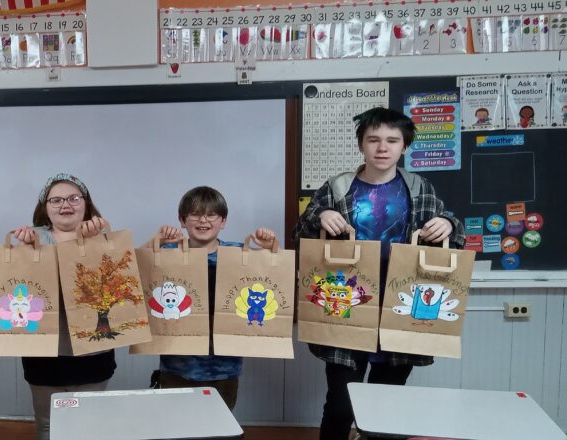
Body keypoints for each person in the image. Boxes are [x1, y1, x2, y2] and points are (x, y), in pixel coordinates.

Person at [294, 107, 464, 440]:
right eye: (373, 139)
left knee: (387, 407)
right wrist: (320, 216)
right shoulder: (338, 187)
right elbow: (300, 235)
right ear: (361, 145)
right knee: (342, 404)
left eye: (391, 140)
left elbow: (453, 240)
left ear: (404, 146)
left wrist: (449, 224)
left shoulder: (420, 187)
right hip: (345, 306)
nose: (382, 147)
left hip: (402, 309)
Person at [150, 186, 276, 410]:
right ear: (182, 219)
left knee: (220, 424)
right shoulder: (169, 253)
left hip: (224, 366)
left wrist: (270, 248)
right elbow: (133, 272)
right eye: (195, 214)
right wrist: (154, 243)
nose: (203, 220)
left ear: (223, 221)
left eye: (211, 214)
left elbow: (272, 278)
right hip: (176, 364)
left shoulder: (238, 254)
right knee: (177, 425)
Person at [10, 173, 115, 440]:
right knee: (48, 424)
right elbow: (20, 288)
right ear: (45, 207)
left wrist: (100, 239)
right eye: (55, 199)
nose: (64, 204)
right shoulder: (32, 239)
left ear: (86, 203)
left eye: (73, 198)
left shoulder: (102, 236)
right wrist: (25, 249)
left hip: (92, 352)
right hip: (44, 352)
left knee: (89, 424)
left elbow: (117, 287)